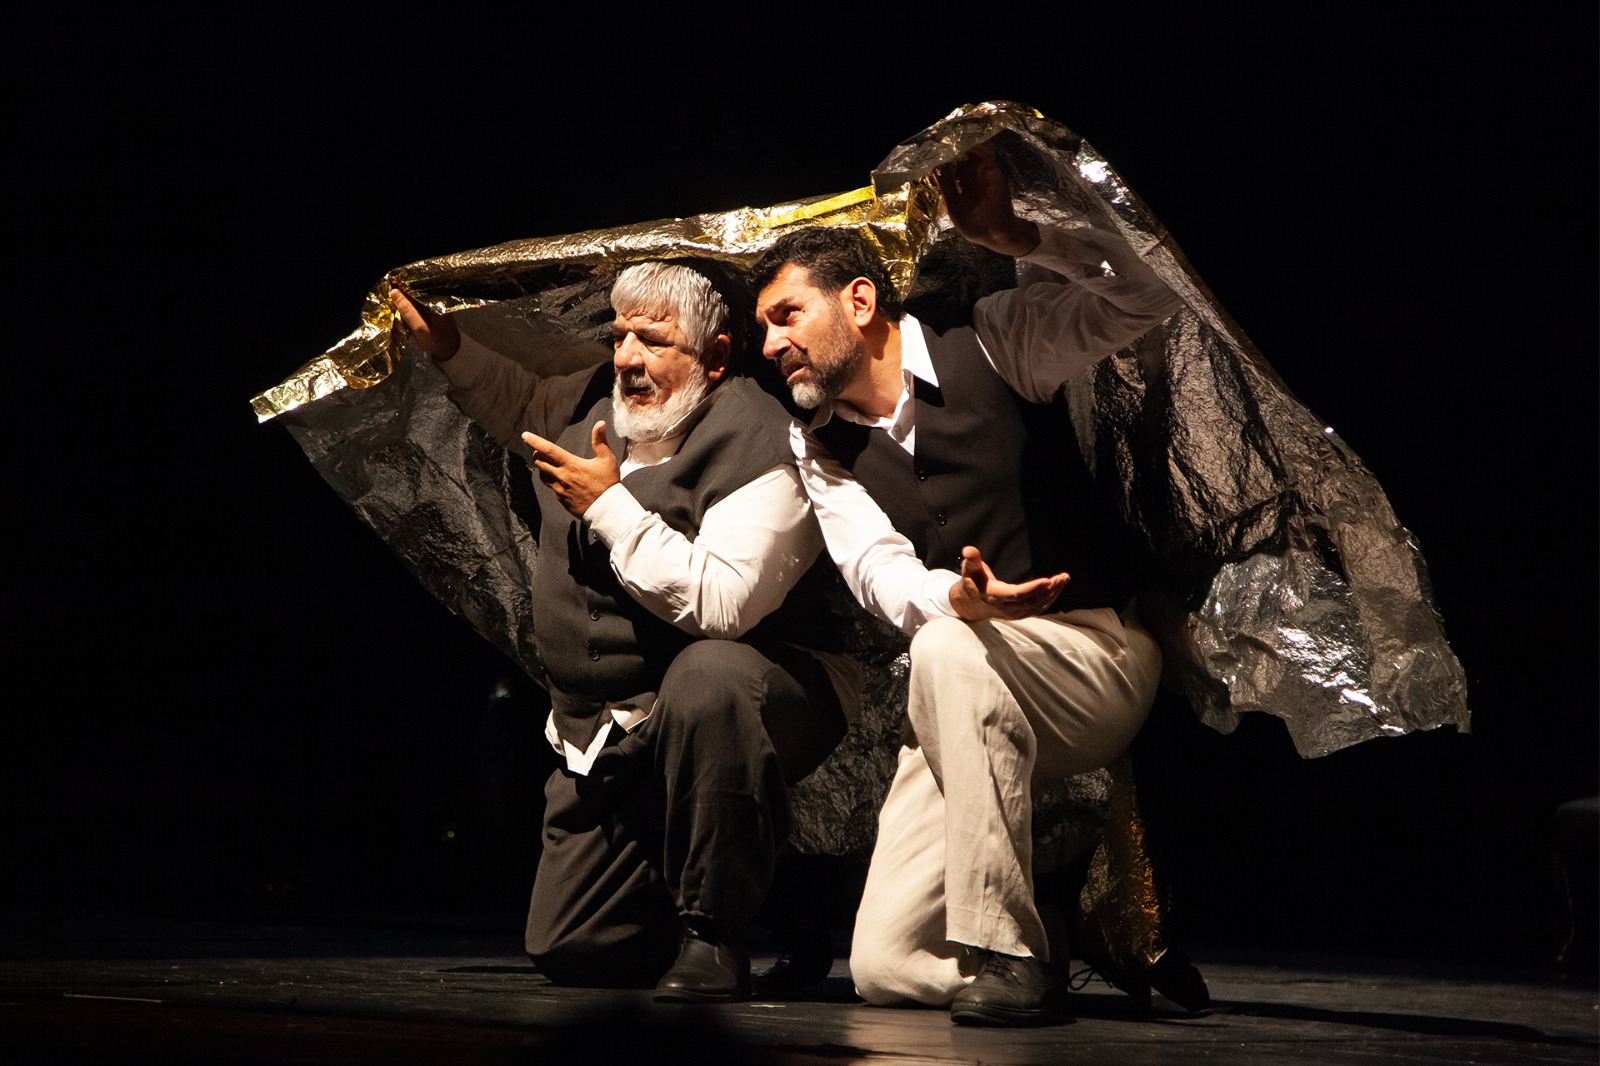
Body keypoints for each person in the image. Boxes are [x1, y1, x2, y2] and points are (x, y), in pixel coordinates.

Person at [747, 141, 1183, 1026]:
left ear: (859, 302)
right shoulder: (819, 442)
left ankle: (1007, 951)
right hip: (966, 686)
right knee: (885, 966)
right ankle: (1049, 942)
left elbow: (1147, 296)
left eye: (787, 315)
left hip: (1093, 655)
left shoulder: (993, 342)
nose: (771, 344)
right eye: (762, 327)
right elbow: (876, 567)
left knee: (944, 648)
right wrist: (956, 598)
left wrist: (1023, 239)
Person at [389, 260, 851, 1002]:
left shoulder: (765, 447)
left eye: (654, 341)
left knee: (709, 675)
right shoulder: (592, 405)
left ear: (715, 357)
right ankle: (769, 884)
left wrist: (609, 506)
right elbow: (516, 400)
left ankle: (714, 932)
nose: (628, 358)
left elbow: (722, 604)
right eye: (620, 336)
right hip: (614, 726)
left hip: (758, 699)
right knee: (573, 947)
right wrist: (449, 346)